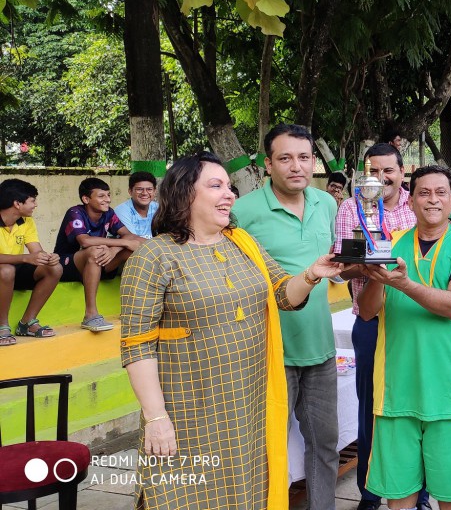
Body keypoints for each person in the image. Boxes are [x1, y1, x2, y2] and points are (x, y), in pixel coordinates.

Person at [119, 151, 343, 510]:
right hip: (189, 411)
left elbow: (283, 294)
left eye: (229, 186)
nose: (229, 194)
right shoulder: (153, 258)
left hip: (248, 407)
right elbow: (136, 346)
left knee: (247, 492)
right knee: (187, 496)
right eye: (216, 185)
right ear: (185, 193)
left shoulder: (241, 243)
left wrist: (313, 273)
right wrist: (156, 418)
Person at [357, 165, 451, 510]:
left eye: (440, 192)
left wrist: (404, 284)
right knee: (399, 495)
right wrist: (375, 277)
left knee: (450, 495)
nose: (432, 200)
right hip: (395, 390)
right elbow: (367, 311)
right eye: (424, 193)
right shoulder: (388, 241)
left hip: (447, 390)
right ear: (410, 200)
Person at [234, 124, 341, 510]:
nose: (296, 166)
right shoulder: (242, 212)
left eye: (304, 157)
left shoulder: (326, 204)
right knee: (266, 448)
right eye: (285, 158)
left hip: (321, 349)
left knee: (325, 444)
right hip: (267, 352)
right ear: (267, 164)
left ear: (313, 162)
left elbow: (333, 263)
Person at [333, 143, 424, 510]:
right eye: (374, 171)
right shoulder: (350, 207)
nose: (382, 178)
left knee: (418, 408)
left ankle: (421, 494)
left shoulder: (417, 203)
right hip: (369, 322)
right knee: (370, 409)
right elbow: (342, 269)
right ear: (364, 175)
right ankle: (369, 495)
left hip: (415, 322)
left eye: (389, 171)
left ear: (403, 172)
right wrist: (370, 260)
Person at [54, 177, 145, 332]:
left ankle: (132, 308)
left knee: (135, 247)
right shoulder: (75, 212)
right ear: (86, 199)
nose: (107, 200)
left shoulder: (109, 213)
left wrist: (114, 249)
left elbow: (129, 237)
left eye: (108, 195)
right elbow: (85, 241)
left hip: (98, 263)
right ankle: (91, 315)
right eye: (102, 196)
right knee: (94, 251)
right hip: (67, 265)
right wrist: (121, 243)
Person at [0, 179, 62, 345]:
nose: (36, 205)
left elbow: (36, 251)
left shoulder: (26, 221)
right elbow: (27, 257)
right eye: (32, 200)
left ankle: (27, 322)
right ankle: (2, 326)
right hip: (4, 272)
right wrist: (25, 258)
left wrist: (49, 258)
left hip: (14, 270)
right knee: (6, 270)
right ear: (17, 203)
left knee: (54, 269)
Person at [114, 172, 160, 239]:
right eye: (139, 189)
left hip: (155, 247)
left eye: (149, 189)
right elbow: (132, 239)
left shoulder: (158, 208)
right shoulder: (122, 210)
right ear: (130, 191)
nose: (144, 193)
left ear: (155, 191)